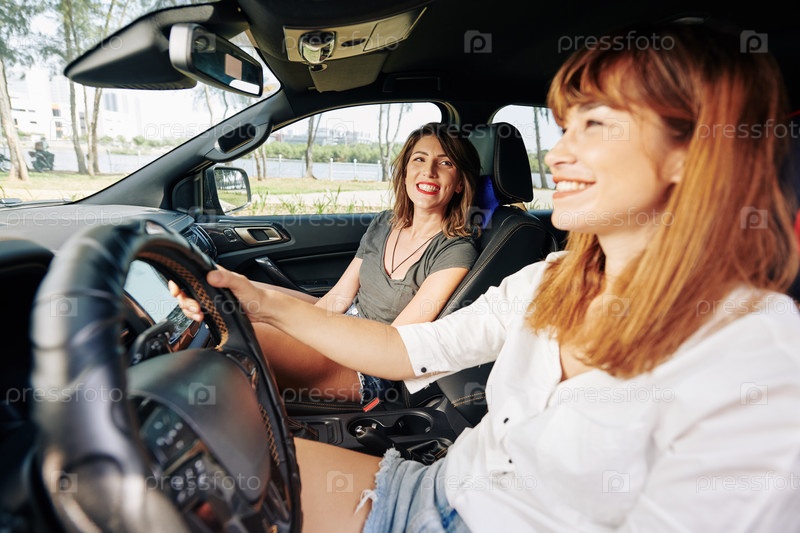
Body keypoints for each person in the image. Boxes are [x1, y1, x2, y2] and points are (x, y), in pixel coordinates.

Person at [182, 22, 800, 532]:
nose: (558, 153)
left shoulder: (757, 355)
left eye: (595, 124)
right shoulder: (552, 277)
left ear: (694, 152)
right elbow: (404, 349)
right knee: (193, 467)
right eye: (565, 126)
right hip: (430, 488)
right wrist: (261, 302)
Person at [173, 122, 481, 404]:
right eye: (419, 159)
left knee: (242, 333)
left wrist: (293, 325)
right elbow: (338, 298)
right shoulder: (385, 223)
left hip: (372, 363)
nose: (429, 171)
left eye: (445, 163)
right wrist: (298, 328)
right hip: (344, 322)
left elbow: (395, 345)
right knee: (238, 295)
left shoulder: (455, 250)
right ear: (405, 172)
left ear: (459, 183)